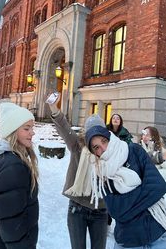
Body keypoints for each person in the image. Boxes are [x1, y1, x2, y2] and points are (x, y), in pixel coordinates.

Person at [84, 114, 166, 249]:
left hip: (159, 233)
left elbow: (159, 187)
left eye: (104, 141)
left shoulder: (134, 150)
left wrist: (128, 205)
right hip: (129, 240)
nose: (103, 148)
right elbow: (117, 212)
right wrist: (145, 192)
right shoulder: (101, 175)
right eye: (96, 147)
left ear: (110, 137)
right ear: (94, 153)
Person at [45, 93, 108, 249]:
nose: (95, 136)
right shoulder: (77, 145)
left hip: (100, 209)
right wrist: (54, 108)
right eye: (91, 131)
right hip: (77, 208)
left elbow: (131, 157)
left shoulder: (110, 151)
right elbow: (64, 127)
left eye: (98, 131)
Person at [0, 102, 39, 249]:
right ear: (13, 131)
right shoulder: (13, 166)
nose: (32, 132)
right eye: (26, 128)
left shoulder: (0, 157)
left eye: (32, 128)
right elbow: (12, 223)